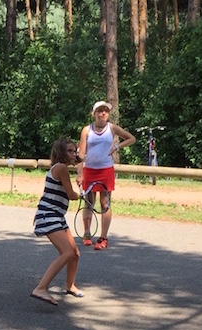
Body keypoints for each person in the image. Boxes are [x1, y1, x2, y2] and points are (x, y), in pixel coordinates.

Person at [31, 138, 83, 306]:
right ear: (60, 152)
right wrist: (80, 194)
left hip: (56, 215)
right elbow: (70, 194)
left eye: (74, 151)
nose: (73, 154)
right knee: (67, 253)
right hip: (49, 215)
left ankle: (70, 285)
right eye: (69, 151)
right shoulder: (61, 168)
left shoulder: (59, 168)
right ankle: (41, 288)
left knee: (74, 253)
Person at [77, 100, 135, 250]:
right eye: (100, 111)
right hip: (90, 170)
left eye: (106, 111)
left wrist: (117, 146)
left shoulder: (112, 128)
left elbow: (131, 138)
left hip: (106, 170)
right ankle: (87, 234)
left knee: (105, 203)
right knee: (89, 202)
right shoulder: (87, 130)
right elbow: (81, 154)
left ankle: (103, 238)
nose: (103, 113)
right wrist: (80, 173)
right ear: (94, 114)